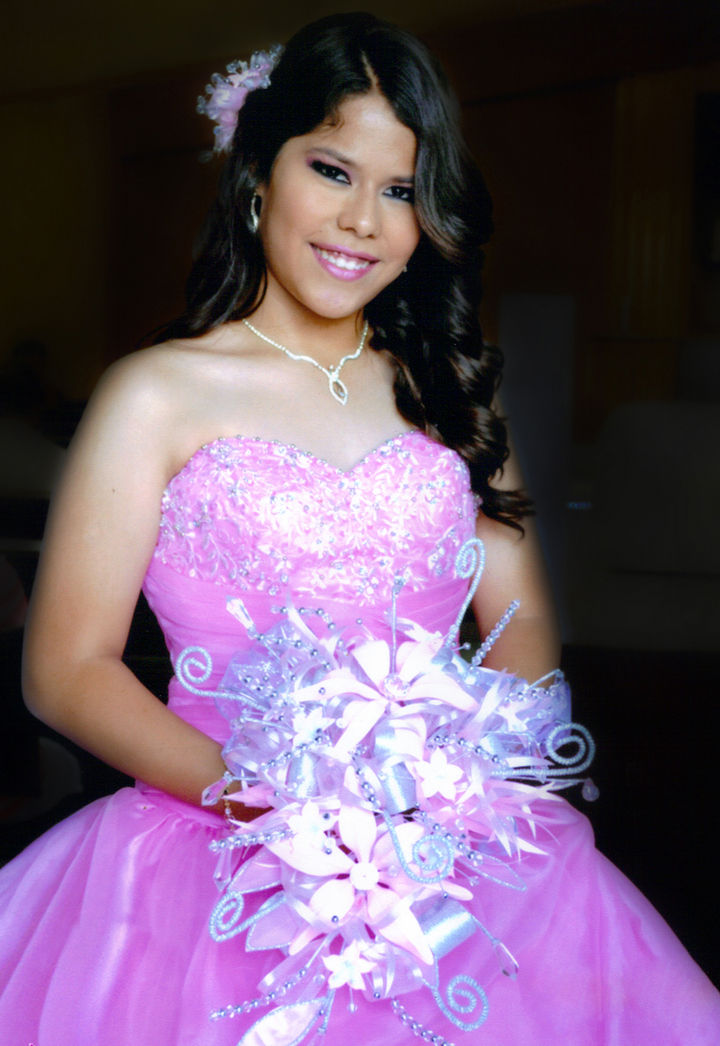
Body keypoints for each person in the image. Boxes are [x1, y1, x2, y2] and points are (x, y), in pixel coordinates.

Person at [0, 13, 717, 1045]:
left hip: (444, 854)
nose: (362, 222)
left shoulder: (452, 391)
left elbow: (521, 635)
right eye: (332, 171)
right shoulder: (156, 395)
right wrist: (274, 804)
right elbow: (67, 670)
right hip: (206, 853)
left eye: (400, 190)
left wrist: (447, 798)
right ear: (260, 170)